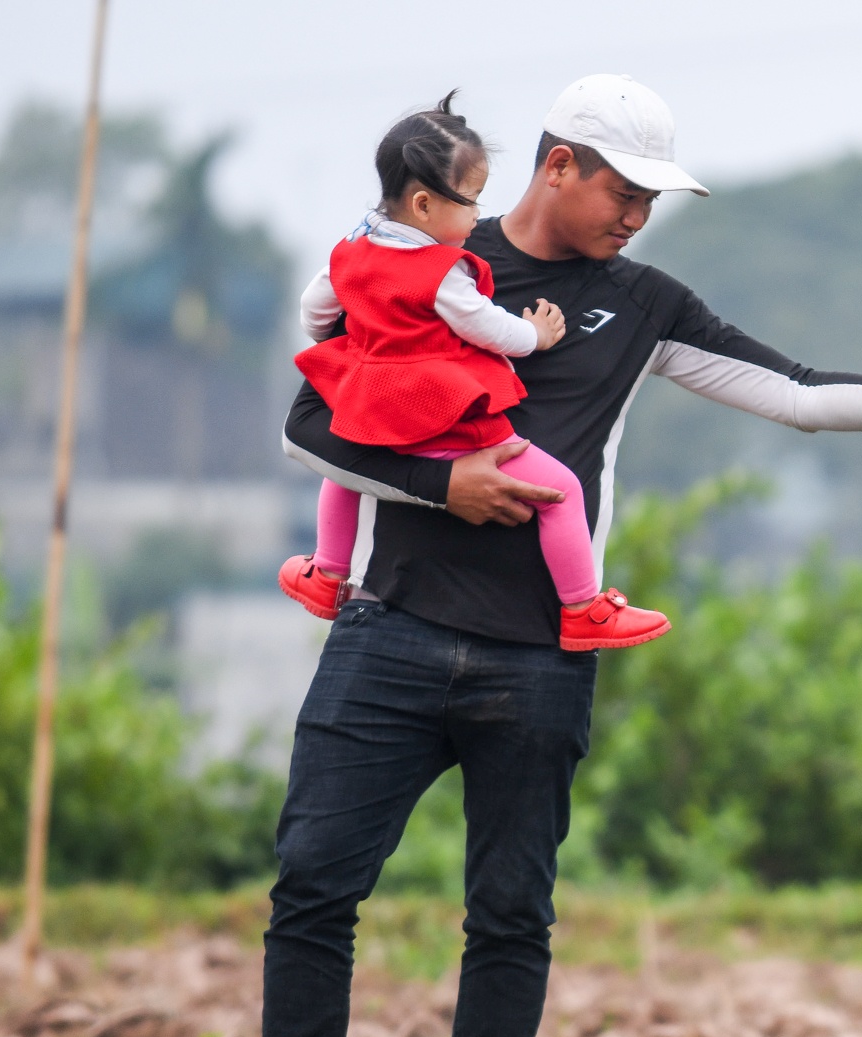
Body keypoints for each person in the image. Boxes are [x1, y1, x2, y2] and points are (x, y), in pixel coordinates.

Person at [205, 73, 862, 1037]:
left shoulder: (645, 302)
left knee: (511, 911)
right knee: (314, 890)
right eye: (622, 189)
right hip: (387, 633)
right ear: (557, 163)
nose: (635, 216)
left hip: (541, 658)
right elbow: (307, 424)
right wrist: (442, 482)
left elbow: (803, 396)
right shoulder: (429, 263)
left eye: (652, 200)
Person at [280, 92, 669, 651]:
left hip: (371, 395)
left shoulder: (351, 249)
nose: (477, 216)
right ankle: (583, 608)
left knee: (344, 469)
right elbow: (487, 327)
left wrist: (351, 346)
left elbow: (315, 309)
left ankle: (327, 575)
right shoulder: (443, 270)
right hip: (441, 408)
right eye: (470, 201)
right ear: (422, 206)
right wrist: (536, 334)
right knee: (558, 488)